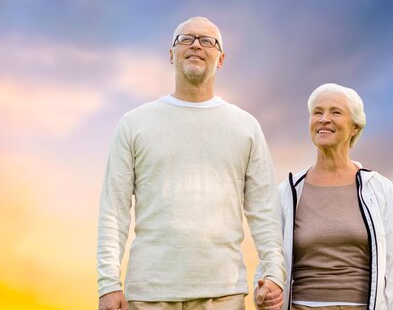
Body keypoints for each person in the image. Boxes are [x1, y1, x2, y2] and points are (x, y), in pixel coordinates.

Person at [96, 16, 285, 310]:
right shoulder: (134, 124)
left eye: (207, 41)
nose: (196, 45)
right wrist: (108, 284)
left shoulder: (245, 126)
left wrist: (275, 272)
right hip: (149, 293)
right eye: (186, 38)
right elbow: (114, 211)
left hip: (223, 293)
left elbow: (265, 209)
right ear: (171, 55)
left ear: (221, 59)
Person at [255, 83, 393, 310]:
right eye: (317, 112)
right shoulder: (288, 192)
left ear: (355, 127)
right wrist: (262, 293)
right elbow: (269, 257)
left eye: (335, 112)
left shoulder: (380, 189)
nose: (323, 119)